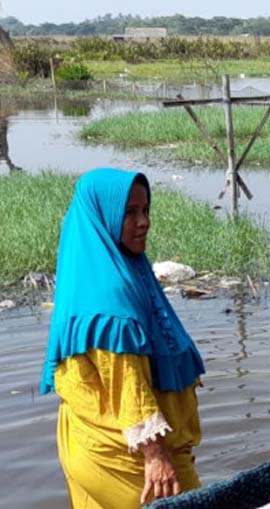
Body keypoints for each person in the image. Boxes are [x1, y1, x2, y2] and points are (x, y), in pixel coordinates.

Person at [40, 169, 206, 508]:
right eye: (129, 213)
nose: (143, 222)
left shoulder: (107, 273)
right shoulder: (109, 298)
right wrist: (157, 457)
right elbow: (127, 384)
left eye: (145, 210)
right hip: (125, 456)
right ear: (104, 217)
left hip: (89, 438)